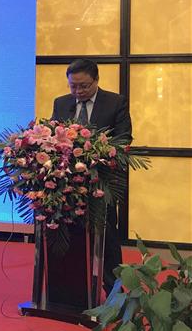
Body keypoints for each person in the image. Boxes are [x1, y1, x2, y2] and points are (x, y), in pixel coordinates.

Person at [51, 58, 132, 294]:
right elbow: (54, 137)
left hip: (102, 181)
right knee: (69, 232)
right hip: (68, 183)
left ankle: (113, 291)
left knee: (107, 236)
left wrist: (96, 153)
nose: (78, 91)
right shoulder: (61, 103)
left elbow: (124, 139)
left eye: (84, 86)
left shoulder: (115, 102)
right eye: (73, 86)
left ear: (96, 80)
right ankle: (71, 290)